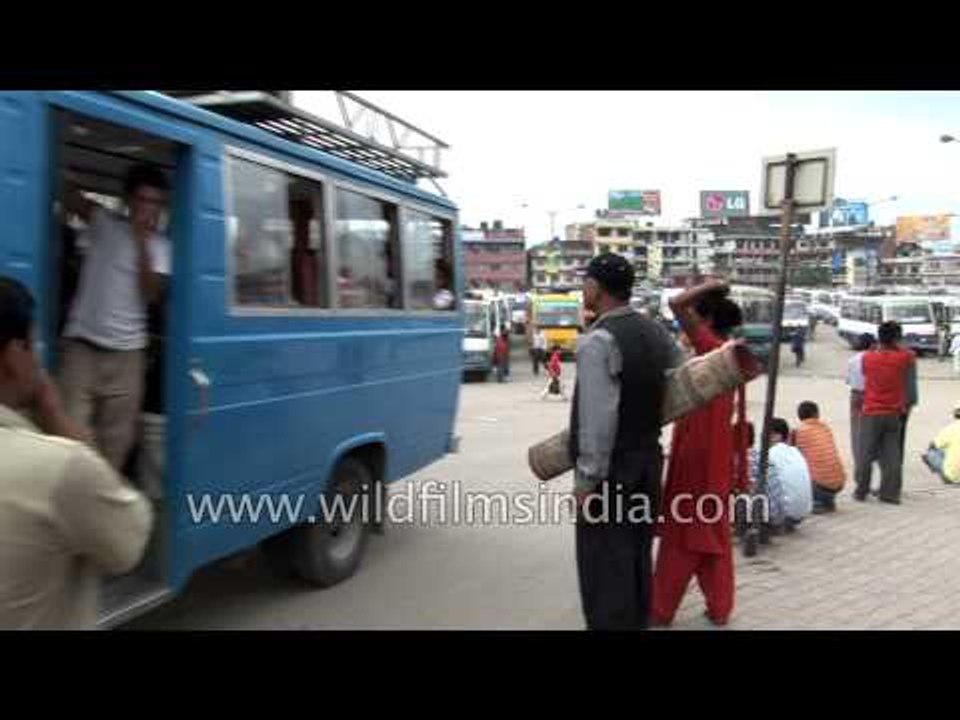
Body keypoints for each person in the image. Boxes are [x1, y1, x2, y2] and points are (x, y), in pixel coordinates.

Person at [0, 277, 153, 629]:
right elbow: (131, 541)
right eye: (33, 345)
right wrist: (56, 415)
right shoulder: (63, 468)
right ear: (14, 355)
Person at [570, 253, 681, 630]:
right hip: (649, 463)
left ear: (596, 288)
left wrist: (586, 481)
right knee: (635, 561)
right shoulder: (654, 331)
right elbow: (680, 376)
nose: (583, 288)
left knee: (604, 572)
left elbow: (597, 421)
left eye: (586, 281)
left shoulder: (597, 341)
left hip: (611, 475)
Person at [59, 164, 172, 472]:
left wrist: (141, 243)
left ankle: (99, 511)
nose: (148, 209)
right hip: (82, 347)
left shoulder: (162, 247)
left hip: (128, 356)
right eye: (143, 200)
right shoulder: (104, 223)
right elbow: (70, 197)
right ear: (128, 200)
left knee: (116, 445)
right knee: (70, 440)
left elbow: (150, 293)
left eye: (156, 203)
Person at [651, 279, 748, 628]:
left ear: (704, 321)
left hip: (697, 457)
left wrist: (711, 284)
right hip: (716, 458)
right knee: (713, 536)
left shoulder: (711, 350)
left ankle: (660, 609)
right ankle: (720, 607)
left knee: (683, 537)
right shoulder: (730, 352)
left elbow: (677, 304)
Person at [855, 321, 917, 505]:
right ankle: (890, 494)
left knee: (865, 453)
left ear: (879, 338)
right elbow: (909, 354)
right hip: (893, 414)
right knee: (892, 455)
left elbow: (864, 375)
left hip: (871, 412)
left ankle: (861, 490)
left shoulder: (867, 357)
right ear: (897, 339)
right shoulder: (906, 357)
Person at [793, 401, 846, 514]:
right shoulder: (826, 428)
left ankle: (817, 503)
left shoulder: (799, 432)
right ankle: (828, 500)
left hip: (820, 485)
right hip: (840, 482)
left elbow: (793, 457)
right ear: (817, 414)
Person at [768, 418, 813, 530]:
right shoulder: (796, 451)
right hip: (803, 513)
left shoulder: (770, 453)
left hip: (784, 514)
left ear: (776, 436)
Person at [846, 333, 875, 468]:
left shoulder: (851, 360)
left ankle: (858, 459)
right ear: (871, 344)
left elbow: (848, 381)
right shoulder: (874, 359)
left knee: (856, 428)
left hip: (855, 395)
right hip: (870, 395)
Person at [923, 402, 960, 484]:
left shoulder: (951, 428)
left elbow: (932, 445)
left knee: (931, 453)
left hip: (952, 477)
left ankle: (947, 474)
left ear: (955, 414)